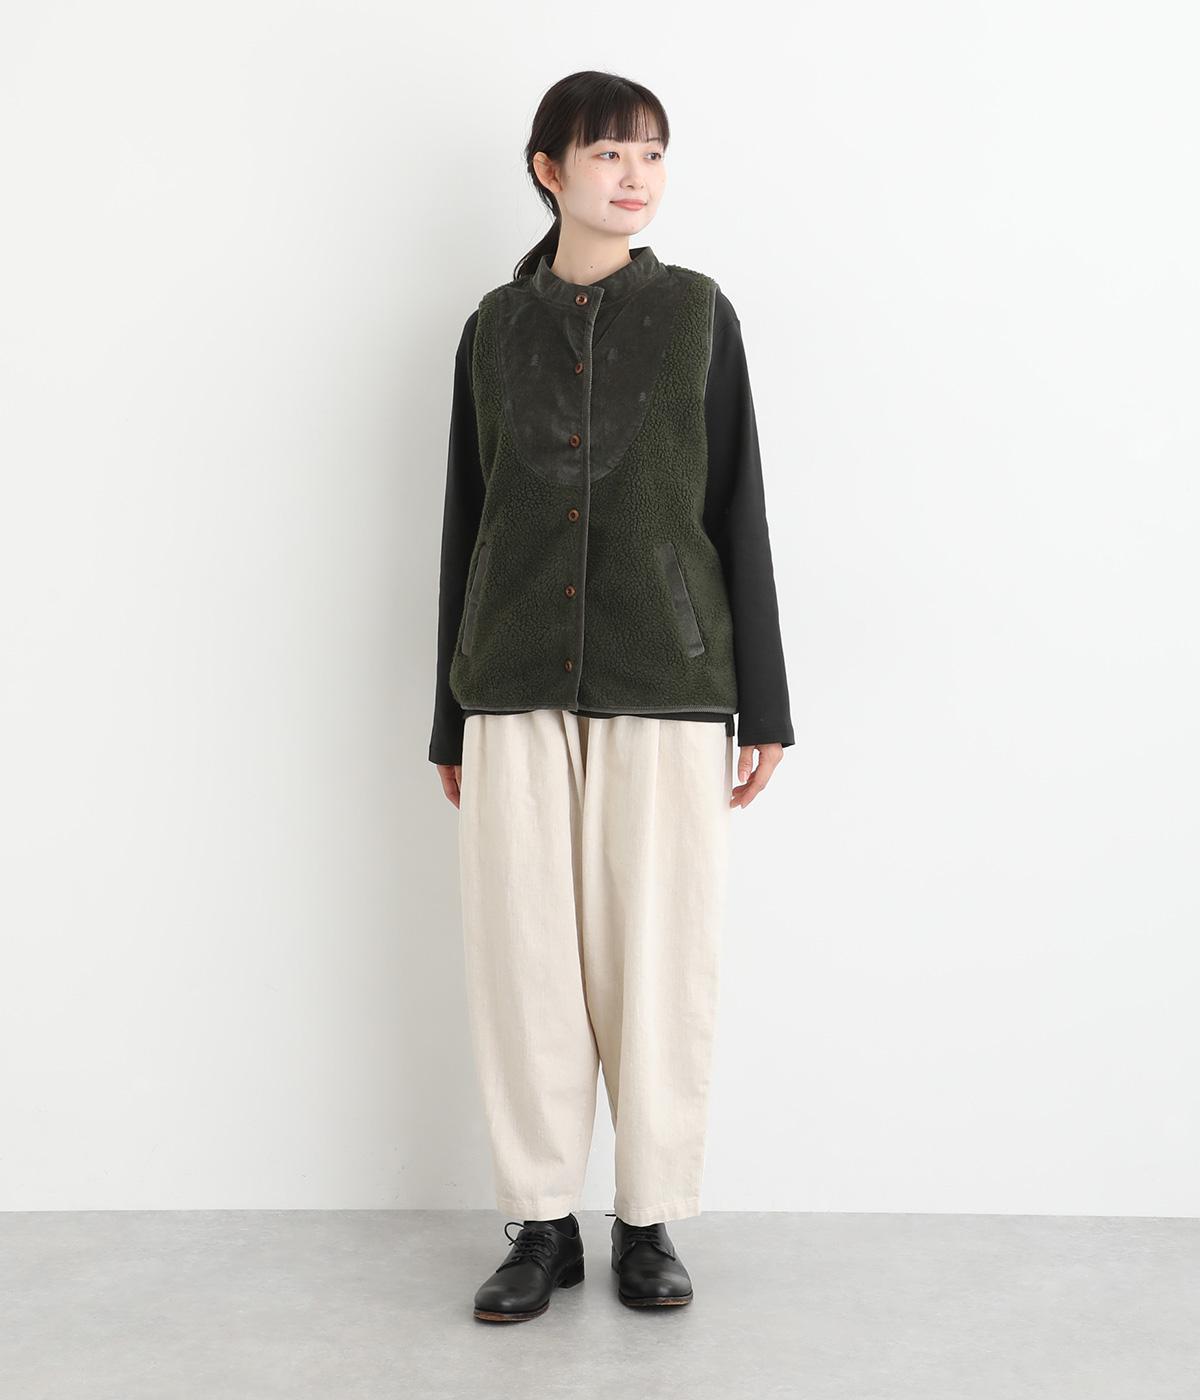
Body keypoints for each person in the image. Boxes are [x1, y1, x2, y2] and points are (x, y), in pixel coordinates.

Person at [428, 70, 794, 1323]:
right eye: (607, 154)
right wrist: (448, 711)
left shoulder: (696, 315)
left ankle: (647, 1219)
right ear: (550, 169)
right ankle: (542, 1222)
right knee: (525, 957)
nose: (635, 176)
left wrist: (764, 702)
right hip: (512, 678)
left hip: (666, 679)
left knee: (658, 954)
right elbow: (466, 520)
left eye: (652, 153)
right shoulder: (493, 329)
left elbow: (738, 504)